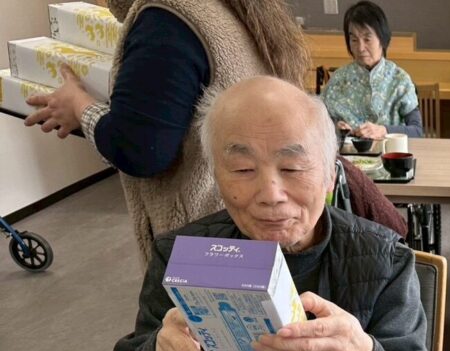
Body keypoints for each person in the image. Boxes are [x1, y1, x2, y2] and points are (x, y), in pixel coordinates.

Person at [112, 77, 444, 351]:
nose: (270, 193)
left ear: (330, 175)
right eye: (243, 169)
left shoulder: (382, 258)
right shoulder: (185, 255)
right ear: (217, 176)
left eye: (292, 168)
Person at [24, 0, 309, 265]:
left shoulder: (166, 20)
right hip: (251, 228)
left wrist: (79, 106)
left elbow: (140, 151)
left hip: (209, 247)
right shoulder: (219, 9)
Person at [321, 1, 422, 140]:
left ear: (382, 39)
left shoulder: (399, 79)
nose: (360, 48)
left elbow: (417, 131)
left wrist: (384, 130)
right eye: (354, 40)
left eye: (367, 39)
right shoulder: (338, 79)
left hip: (389, 152)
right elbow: (317, 124)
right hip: (346, 153)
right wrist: (335, 128)